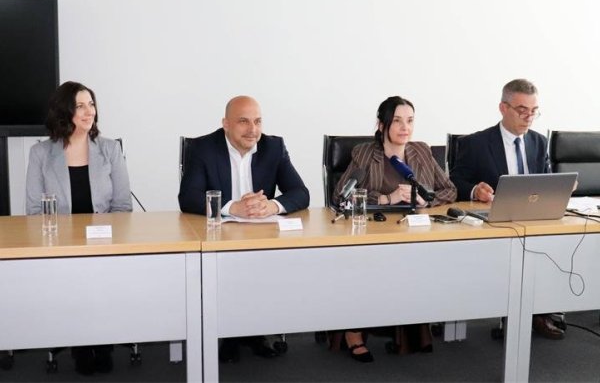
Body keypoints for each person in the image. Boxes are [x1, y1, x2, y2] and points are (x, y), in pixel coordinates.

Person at [178, 95, 310, 362]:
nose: (253, 129)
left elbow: (300, 192)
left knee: (262, 267)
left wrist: (272, 206)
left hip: (261, 235)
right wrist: (231, 207)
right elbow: (188, 197)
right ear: (226, 124)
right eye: (243, 122)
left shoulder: (273, 147)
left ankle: (251, 331)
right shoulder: (203, 148)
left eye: (258, 121)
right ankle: (230, 334)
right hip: (218, 237)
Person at [333, 96, 457, 362]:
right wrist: (387, 198)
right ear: (382, 125)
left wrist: (425, 200)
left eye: (410, 121)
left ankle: (408, 327)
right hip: (373, 235)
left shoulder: (421, 151)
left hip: (414, 233)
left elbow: (449, 189)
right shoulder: (365, 154)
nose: (405, 128)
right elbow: (341, 194)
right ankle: (354, 332)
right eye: (398, 121)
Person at [25, 81, 133, 374]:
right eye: (80, 106)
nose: (89, 112)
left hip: (104, 242)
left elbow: (123, 206)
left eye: (92, 104)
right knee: (75, 279)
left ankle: (103, 342)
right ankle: (82, 345)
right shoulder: (40, 153)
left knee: (99, 276)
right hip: (60, 245)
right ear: (64, 112)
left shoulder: (110, 149)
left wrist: (103, 238)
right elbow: (34, 212)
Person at [450, 78, 564, 340]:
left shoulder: (538, 142)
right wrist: (474, 190)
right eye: (522, 110)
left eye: (534, 111)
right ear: (503, 108)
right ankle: (513, 317)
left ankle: (538, 312)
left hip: (534, 222)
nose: (529, 117)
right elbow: (454, 182)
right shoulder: (477, 143)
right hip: (495, 225)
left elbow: (545, 179)